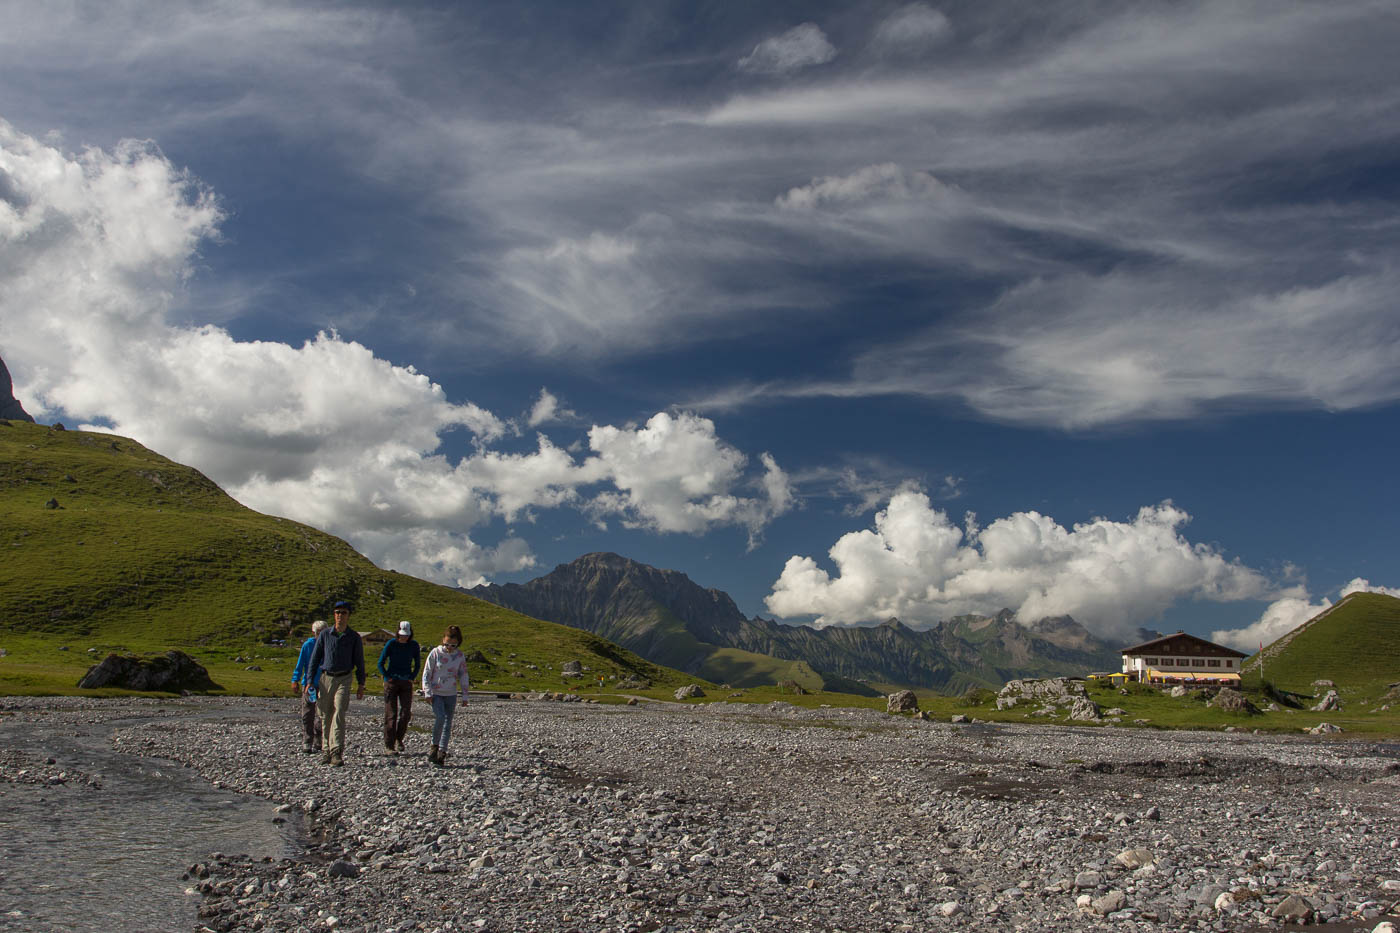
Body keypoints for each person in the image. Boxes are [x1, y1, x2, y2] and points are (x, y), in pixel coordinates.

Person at [305, 600, 366, 766]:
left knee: (339, 711)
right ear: (334, 615)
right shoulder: (325, 635)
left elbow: (359, 661)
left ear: (348, 615)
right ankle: (326, 750)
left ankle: (336, 751)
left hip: (344, 678)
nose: (340, 615)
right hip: (326, 677)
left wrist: (361, 684)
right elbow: (315, 658)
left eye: (344, 612)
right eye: (337, 612)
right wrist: (310, 681)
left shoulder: (354, 637)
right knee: (325, 714)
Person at [421, 624, 469, 766]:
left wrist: (465, 696)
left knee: (448, 723)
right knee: (440, 718)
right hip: (436, 693)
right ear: (443, 640)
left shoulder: (459, 656)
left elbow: (463, 675)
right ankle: (434, 746)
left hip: (451, 694)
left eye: (453, 645)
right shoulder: (435, 653)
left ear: (458, 644)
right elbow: (427, 673)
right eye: (447, 644)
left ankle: (442, 751)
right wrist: (427, 691)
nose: (449, 648)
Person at [377, 620, 421, 755]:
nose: (404, 637)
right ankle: (389, 745)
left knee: (406, 713)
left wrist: (412, 676)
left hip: (406, 682)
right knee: (391, 714)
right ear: (398, 633)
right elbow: (381, 662)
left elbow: (417, 663)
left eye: (406, 635)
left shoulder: (414, 645)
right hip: (392, 682)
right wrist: (386, 676)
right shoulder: (391, 644)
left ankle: (399, 738)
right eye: (402, 635)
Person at [290, 619, 327, 753]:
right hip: (310, 685)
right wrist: (295, 680)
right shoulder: (308, 645)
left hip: (325, 684)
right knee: (308, 713)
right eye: (318, 632)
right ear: (314, 633)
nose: (320, 635)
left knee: (322, 713)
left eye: (323, 632)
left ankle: (319, 739)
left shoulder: (329, 645)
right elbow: (300, 664)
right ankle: (307, 740)